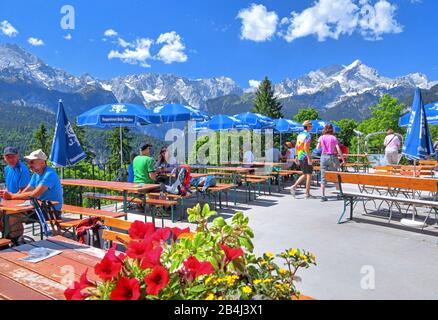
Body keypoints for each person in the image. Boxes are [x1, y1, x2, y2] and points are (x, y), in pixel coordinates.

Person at [1, 149, 63, 244]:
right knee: (2, 213)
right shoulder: (36, 174)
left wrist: (12, 197)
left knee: (11, 214)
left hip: (51, 211)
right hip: (39, 207)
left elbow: (34, 194)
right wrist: (12, 196)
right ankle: (8, 240)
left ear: (42, 162)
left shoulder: (49, 174)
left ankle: (17, 241)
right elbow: (27, 190)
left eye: (32, 162)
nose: (29, 164)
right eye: (29, 162)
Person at [317, 124, 345, 202]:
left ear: (324, 129)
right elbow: (338, 149)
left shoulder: (321, 137)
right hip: (332, 157)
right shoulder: (334, 138)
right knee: (335, 175)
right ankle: (339, 194)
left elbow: (317, 148)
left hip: (323, 157)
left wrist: (323, 146)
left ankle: (323, 196)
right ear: (332, 129)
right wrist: (343, 159)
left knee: (323, 176)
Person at [290, 120, 314, 199]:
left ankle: (294, 187)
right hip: (305, 156)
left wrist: (296, 156)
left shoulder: (299, 135)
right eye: (310, 126)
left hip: (300, 156)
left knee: (304, 174)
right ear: (307, 127)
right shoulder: (308, 136)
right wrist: (309, 158)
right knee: (309, 175)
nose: (311, 127)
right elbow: (305, 148)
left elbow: (296, 146)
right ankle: (307, 193)